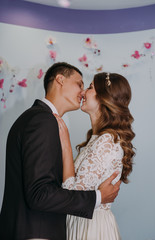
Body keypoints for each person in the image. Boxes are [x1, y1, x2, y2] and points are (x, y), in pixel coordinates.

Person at [0, 63, 121, 240]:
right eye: (79, 84)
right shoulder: (43, 121)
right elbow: (40, 194)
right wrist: (98, 197)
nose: (82, 91)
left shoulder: (37, 118)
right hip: (36, 233)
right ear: (60, 79)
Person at [55, 72, 135, 240]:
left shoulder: (107, 141)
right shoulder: (98, 138)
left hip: (90, 228)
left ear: (104, 97)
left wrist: (65, 145)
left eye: (90, 87)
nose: (83, 92)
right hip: (82, 222)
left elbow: (72, 194)